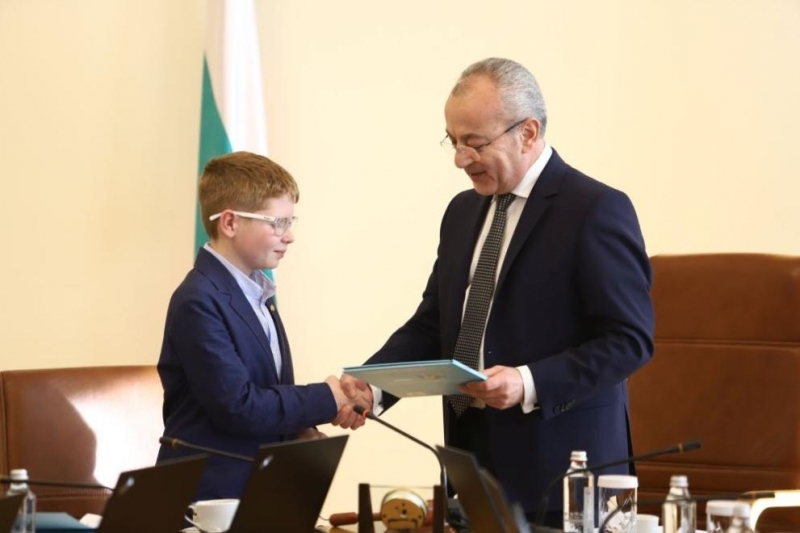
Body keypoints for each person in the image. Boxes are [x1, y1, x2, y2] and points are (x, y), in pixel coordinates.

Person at [339, 58, 655, 526]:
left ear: (527, 132)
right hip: (472, 469)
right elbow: (436, 323)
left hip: (565, 477)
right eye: (453, 141)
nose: (460, 158)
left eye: (475, 143)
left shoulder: (595, 209)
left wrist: (527, 382)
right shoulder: (462, 212)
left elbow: (630, 340)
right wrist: (374, 385)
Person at [157, 151, 364, 501]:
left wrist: (299, 429)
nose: (290, 235)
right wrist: (328, 396)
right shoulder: (198, 300)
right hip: (210, 496)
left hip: (260, 487)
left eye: (290, 221)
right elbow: (238, 407)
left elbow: (268, 387)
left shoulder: (258, 294)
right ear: (230, 223)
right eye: (277, 223)